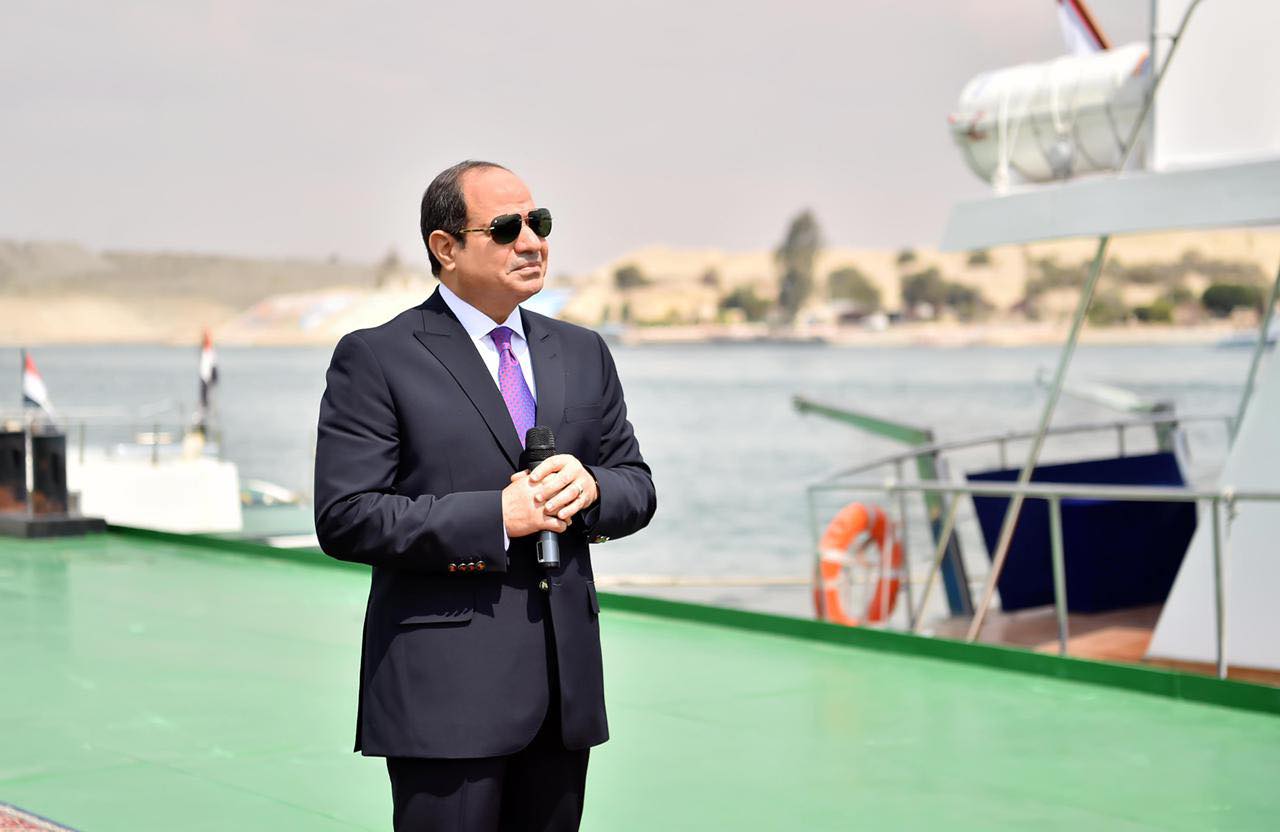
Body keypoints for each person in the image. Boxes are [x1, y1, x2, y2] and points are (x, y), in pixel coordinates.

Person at [313, 160, 656, 831]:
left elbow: (635, 484)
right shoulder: (378, 357)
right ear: (445, 247)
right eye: (505, 228)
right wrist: (497, 516)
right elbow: (346, 516)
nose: (531, 242)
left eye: (539, 223)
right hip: (446, 700)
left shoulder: (583, 352)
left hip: (564, 697)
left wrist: (592, 489)